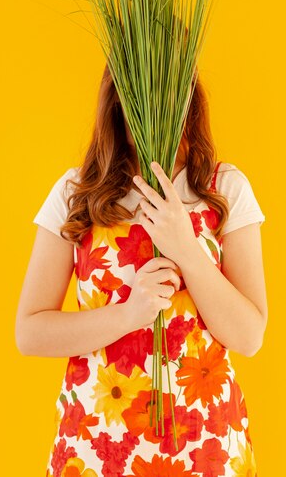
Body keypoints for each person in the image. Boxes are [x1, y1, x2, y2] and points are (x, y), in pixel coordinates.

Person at [15, 63, 267, 477]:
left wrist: (185, 247)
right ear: (117, 98)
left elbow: (249, 335)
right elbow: (30, 332)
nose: (153, 106)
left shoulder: (225, 190)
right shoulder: (76, 193)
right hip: (96, 447)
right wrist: (128, 315)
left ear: (187, 94)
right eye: (138, 90)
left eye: (166, 89)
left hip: (207, 449)